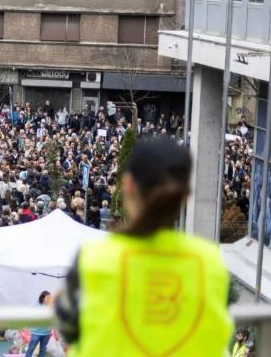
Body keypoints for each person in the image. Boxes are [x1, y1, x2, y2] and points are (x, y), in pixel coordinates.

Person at [55, 138, 233, 356]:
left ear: (128, 185)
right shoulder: (211, 262)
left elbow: (68, 328)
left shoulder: (93, 259)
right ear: (185, 196)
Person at [26, 291, 52, 357]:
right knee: (31, 348)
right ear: (43, 298)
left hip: (46, 333)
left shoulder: (51, 306)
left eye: (50, 298)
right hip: (36, 333)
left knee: (43, 350)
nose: (49, 299)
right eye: (48, 298)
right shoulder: (36, 305)